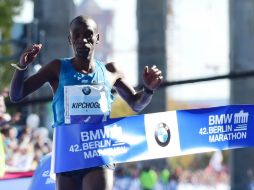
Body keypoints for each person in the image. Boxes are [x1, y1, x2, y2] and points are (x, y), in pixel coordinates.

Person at [9, 15, 163, 190]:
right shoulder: (57, 68)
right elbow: (17, 95)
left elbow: (136, 104)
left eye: (88, 34)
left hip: (98, 151)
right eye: (76, 34)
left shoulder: (110, 71)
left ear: (98, 38)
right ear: (70, 39)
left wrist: (149, 90)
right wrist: (22, 66)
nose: (82, 39)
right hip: (67, 151)